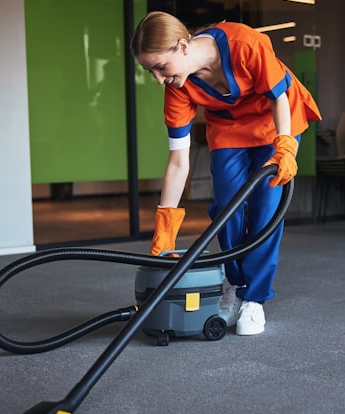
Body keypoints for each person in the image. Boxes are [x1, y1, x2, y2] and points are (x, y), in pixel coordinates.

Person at [131, 11, 321, 335]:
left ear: (182, 46)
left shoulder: (245, 43)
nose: (159, 79)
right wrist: (165, 227)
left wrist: (285, 146)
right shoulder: (178, 87)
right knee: (225, 208)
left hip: (276, 122)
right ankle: (236, 284)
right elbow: (178, 161)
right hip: (230, 130)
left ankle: (254, 298)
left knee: (266, 208)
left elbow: (278, 97)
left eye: (160, 67)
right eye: (151, 72)